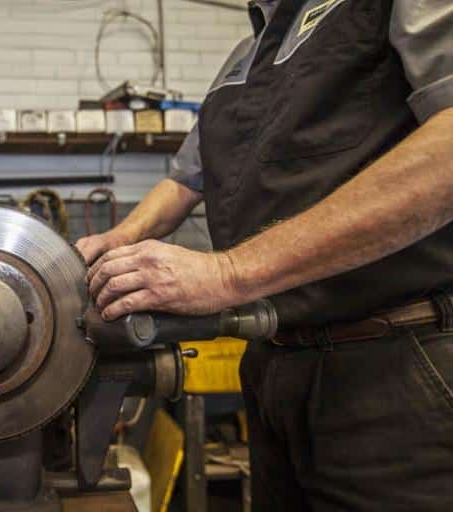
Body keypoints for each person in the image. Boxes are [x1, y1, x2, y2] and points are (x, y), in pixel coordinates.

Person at [76, 1, 453, 510]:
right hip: (274, 362)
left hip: (396, 366)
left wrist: (227, 273)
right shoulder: (246, 53)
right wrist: (116, 242)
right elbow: (187, 177)